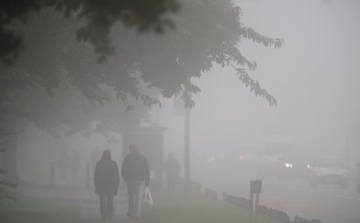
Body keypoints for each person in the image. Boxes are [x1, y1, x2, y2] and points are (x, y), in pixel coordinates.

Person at [121, 144, 150, 220]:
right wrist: (147, 180)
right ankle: (137, 214)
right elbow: (147, 170)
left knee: (131, 197)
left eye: (129, 148)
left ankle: (131, 213)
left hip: (130, 180)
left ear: (131, 149)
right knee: (138, 197)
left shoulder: (128, 158)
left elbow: (123, 169)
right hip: (140, 180)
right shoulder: (143, 158)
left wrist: (126, 179)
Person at [94, 150, 120, 220]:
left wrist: (96, 184)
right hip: (111, 186)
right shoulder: (113, 163)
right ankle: (110, 213)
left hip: (101, 185)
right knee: (110, 200)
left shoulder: (99, 163)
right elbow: (116, 175)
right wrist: (117, 184)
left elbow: (96, 174)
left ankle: (104, 215)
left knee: (102, 201)